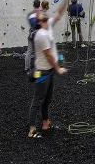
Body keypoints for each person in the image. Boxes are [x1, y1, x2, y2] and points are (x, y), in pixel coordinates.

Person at [27, 9, 67, 139]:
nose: (46, 21)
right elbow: (49, 55)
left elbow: (56, 15)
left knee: (46, 100)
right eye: (43, 20)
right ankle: (32, 130)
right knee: (37, 100)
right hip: (42, 73)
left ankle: (46, 123)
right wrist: (58, 68)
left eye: (45, 19)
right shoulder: (41, 35)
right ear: (39, 23)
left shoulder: (43, 32)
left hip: (47, 72)